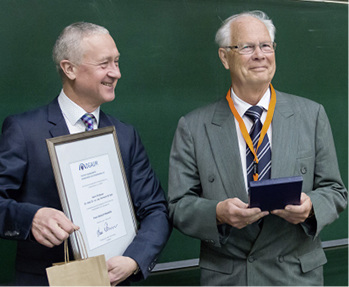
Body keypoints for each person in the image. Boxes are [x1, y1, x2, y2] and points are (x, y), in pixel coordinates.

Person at [168, 10, 347, 286]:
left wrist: (311, 207)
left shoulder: (311, 115)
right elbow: (178, 206)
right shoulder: (194, 127)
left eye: (265, 46)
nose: (259, 54)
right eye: (246, 47)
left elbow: (335, 191)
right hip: (230, 278)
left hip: (296, 276)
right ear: (224, 57)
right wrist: (217, 213)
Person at [0, 22, 171, 286]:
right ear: (69, 68)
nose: (116, 73)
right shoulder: (24, 131)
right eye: (105, 64)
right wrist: (31, 218)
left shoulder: (125, 135)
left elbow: (156, 209)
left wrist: (135, 260)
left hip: (113, 279)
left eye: (117, 62)